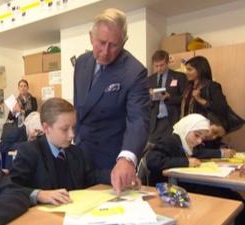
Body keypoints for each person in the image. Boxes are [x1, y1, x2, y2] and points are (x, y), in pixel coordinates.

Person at [73, 8, 149, 193]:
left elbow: (138, 119)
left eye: (114, 45)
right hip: (79, 157)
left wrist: (127, 159)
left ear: (124, 42)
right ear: (91, 37)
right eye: (101, 43)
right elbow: (79, 108)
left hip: (111, 163)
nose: (106, 52)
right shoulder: (82, 62)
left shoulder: (134, 72)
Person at [146, 113, 245, 225]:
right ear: (187, 128)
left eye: (201, 138)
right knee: (229, 199)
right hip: (169, 190)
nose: (199, 141)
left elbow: (198, 153)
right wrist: (186, 162)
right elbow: (152, 161)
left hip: (184, 185)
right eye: (197, 135)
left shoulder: (187, 143)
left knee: (233, 197)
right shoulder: (170, 141)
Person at [10, 97, 98, 205]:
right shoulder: (29, 152)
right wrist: (39, 194)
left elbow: (92, 178)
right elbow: (12, 190)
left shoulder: (76, 152)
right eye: (65, 129)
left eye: (73, 128)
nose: (72, 135)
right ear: (46, 128)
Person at [148, 50, 187, 144]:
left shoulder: (179, 77)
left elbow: (185, 99)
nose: (159, 68)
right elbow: (143, 102)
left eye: (162, 65)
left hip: (171, 119)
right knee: (153, 148)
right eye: (156, 66)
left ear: (167, 63)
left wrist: (169, 97)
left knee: (170, 146)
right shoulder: (149, 80)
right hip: (154, 121)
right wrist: (150, 96)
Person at [181, 56, 229, 129]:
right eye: (186, 70)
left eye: (189, 70)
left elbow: (222, 108)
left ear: (200, 70)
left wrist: (200, 99)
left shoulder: (212, 86)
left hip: (207, 130)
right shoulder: (189, 86)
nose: (186, 72)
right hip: (189, 127)